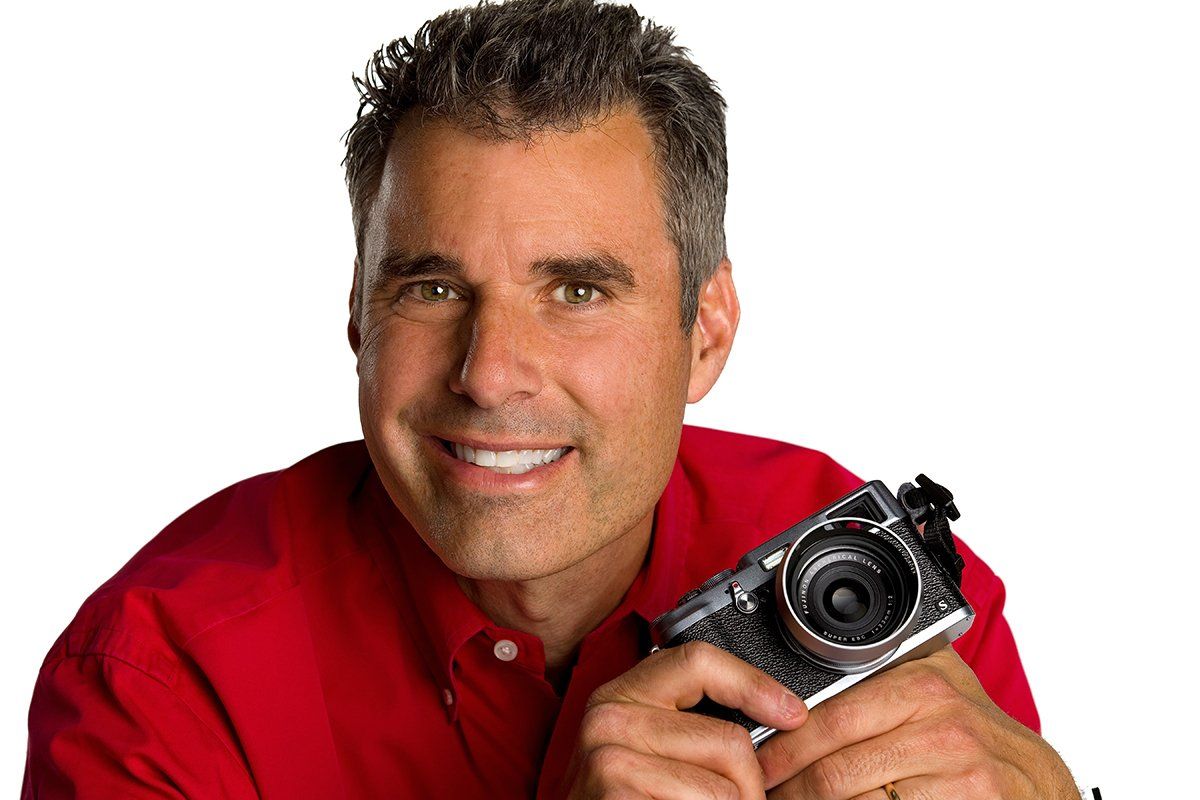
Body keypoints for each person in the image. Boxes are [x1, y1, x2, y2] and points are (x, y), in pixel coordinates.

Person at [22, 0, 1080, 797]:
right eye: (432, 288)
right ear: (357, 315)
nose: (489, 374)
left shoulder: (867, 580)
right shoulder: (161, 674)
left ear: (706, 330)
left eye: (578, 291)